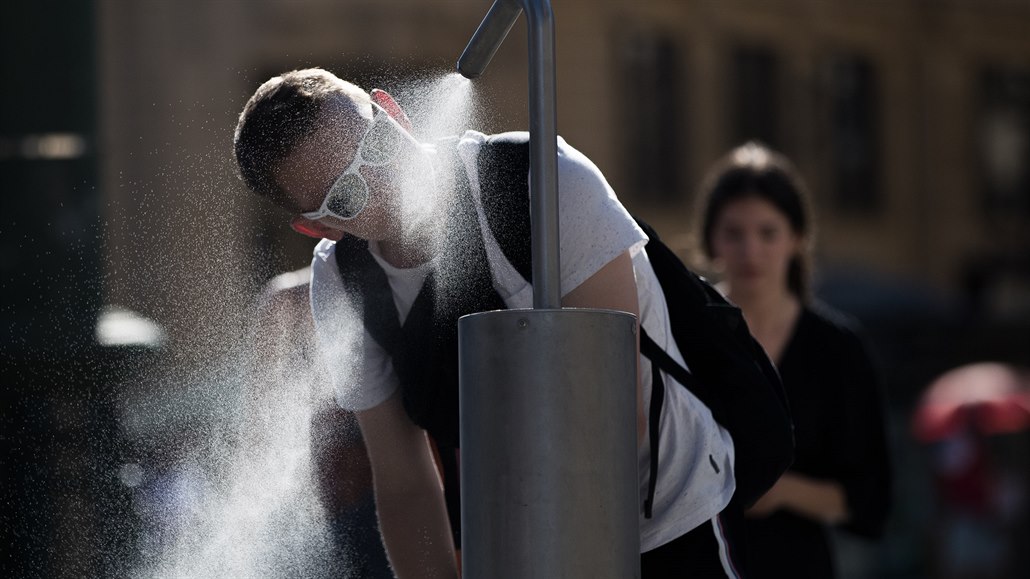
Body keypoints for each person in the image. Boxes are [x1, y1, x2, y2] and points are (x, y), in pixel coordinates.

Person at [233, 67, 744, 578]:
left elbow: (615, 411)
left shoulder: (542, 180)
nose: (380, 180)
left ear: (391, 111)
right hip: (519, 537)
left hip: (671, 511)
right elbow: (404, 482)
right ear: (319, 225)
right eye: (346, 195)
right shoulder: (341, 282)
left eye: (377, 145)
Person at [694, 141, 892, 578]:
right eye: (734, 233)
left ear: (797, 238)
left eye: (767, 232)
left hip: (797, 565)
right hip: (698, 562)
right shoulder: (688, 334)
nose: (750, 250)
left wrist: (782, 491)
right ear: (711, 239)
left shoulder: (838, 349)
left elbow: (871, 497)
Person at [250, 267, 393, 578]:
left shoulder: (288, 295)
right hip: (333, 500)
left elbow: (262, 404)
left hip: (374, 491)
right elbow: (263, 402)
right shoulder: (287, 296)